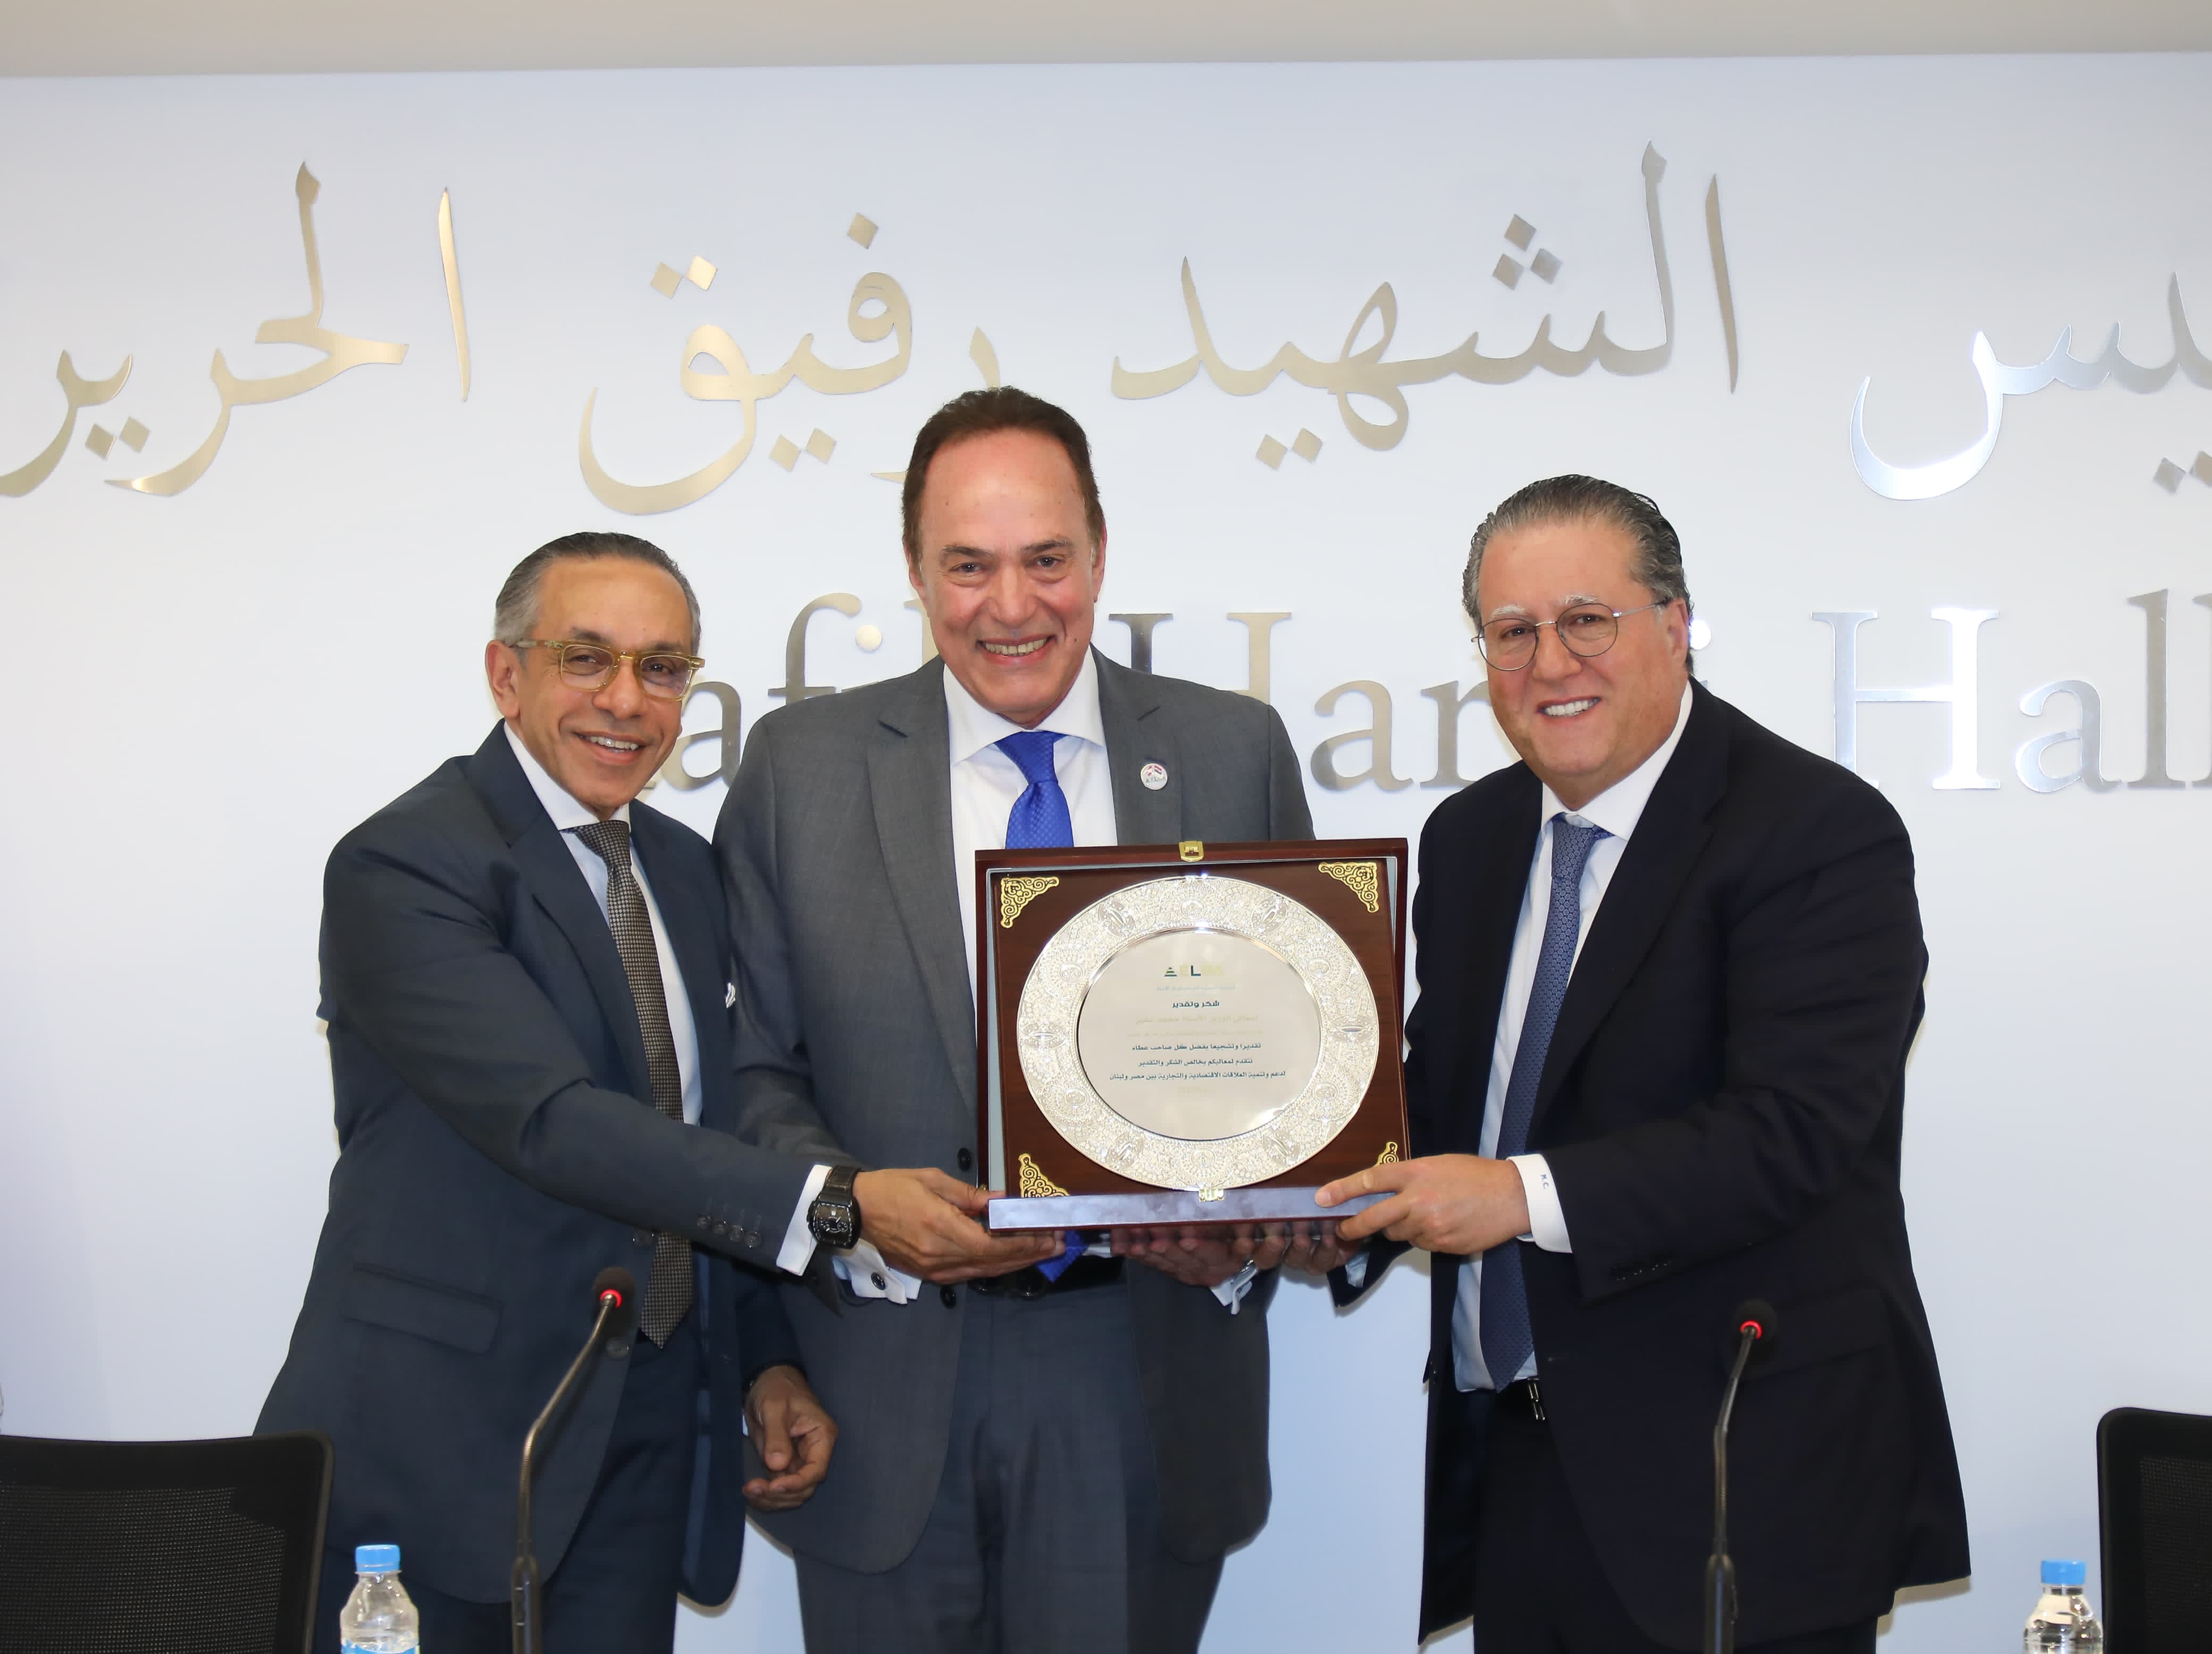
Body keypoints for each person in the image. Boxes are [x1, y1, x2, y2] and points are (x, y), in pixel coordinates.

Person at [715, 387, 1329, 1654]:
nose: (1011, 605)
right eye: (968, 565)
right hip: (881, 1370)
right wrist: (853, 1204)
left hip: (1139, 1368)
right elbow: (753, 1071)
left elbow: (1300, 1058)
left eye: (1046, 559)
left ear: (1098, 554)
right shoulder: (799, 766)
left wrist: (1243, 1228)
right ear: (914, 572)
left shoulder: (1232, 750)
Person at [1316, 477, 1970, 1652]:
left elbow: (1793, 1131)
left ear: (1675, 624)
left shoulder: (1818, 829)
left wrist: (1515, 1194)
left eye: (1587, 620)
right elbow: (1438, 1104)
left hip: (1737, 1482)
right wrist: (1296, 1202)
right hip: (1523, 1465)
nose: (1550, 664)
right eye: (1512, 632)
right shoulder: (1470, 840)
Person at [262, 532, 857, 1653]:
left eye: (662, 667)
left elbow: (699, 1130)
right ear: (506, 674)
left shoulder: (685, 869)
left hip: (643, 1428)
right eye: (586, 658)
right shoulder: (407, 863)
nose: (626, 700)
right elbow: (553, 1121)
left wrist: (766, 1357)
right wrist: (839, 1204)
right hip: (441, 1439)